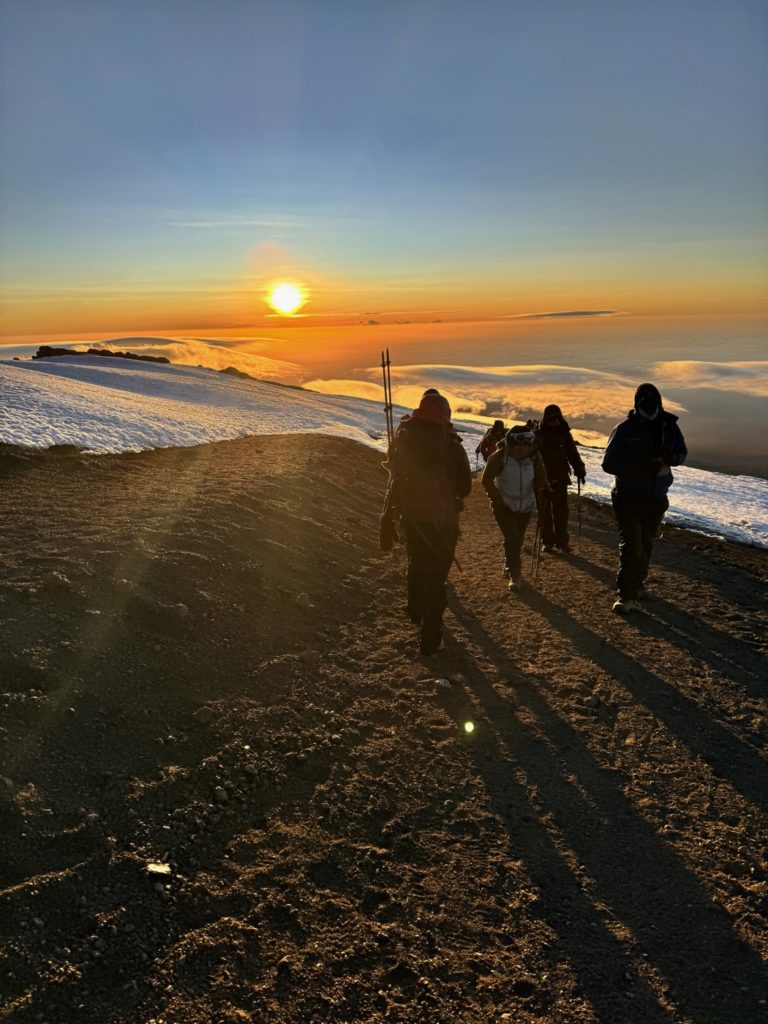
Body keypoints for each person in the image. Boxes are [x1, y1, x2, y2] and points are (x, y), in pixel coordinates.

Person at [389, 391, 472, 655]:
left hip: (412, 517)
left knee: (417, 561)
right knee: (437, 576)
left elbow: (394, 471)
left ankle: (414, 609)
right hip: (443, 520)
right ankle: (431, 635)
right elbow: (466, 487)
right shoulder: (452, 445)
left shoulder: (403, 437)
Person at [602, 383, 687, 615]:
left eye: (653, 401)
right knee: (631, 544)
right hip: (628, 496)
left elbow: (682, 453)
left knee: (646, 543)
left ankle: (637, 585)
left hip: (656, 496)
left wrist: (671, 458)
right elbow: (608, 463)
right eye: (644, 401)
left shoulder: (669, 427)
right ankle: (625, 595)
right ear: (636, 404)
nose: (649, 405)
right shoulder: (624, 430)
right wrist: (638, 469)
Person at [482, 425, 548, 592]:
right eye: (518, 445)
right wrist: (497, 500)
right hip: (503, 506)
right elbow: (487, 480)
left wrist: (543, 489)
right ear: (510, 444)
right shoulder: (499, 458)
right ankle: (515, 575)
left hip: (526, 506)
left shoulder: (534, 458)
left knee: (517, 539)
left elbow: (540, 479)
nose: (521, 449)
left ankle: (508, 564)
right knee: (512, 537)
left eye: (526, 445)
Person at [535, 404, 586, 554]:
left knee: (561, 512)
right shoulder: (538, 434)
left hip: (560, 478)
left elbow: (572, 453)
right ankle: (548, 542)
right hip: (542, 478)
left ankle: (562, 542)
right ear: (546, 419)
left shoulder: (564, 433)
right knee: (544, 512)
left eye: (556, 418)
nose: (554, 422)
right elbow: (532, 455)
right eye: (551, 419)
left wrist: (580, 469)